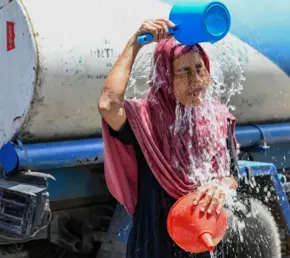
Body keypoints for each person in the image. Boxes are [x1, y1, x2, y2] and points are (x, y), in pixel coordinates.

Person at [98, 18, 240, 258]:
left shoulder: (218, 119)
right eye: (183, 71)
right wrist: (135, 43)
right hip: (154, 243)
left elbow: (233, 175)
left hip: (204, 240)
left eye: (199, 69)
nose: (195, 81)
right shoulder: (145, 120)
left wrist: (221, 188)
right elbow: (108, 103)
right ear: (165, 76)